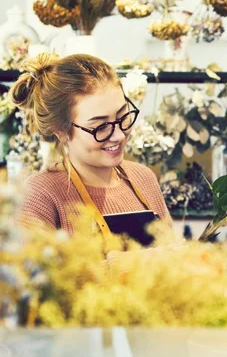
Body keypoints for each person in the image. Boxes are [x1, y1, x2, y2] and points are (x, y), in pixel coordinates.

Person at [10, 53, 172, 237]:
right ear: (60, 131)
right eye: (100, 127)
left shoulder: (144, 179)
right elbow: (36, 266)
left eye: (123, 116)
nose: (119, 135)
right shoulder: (40, 195)